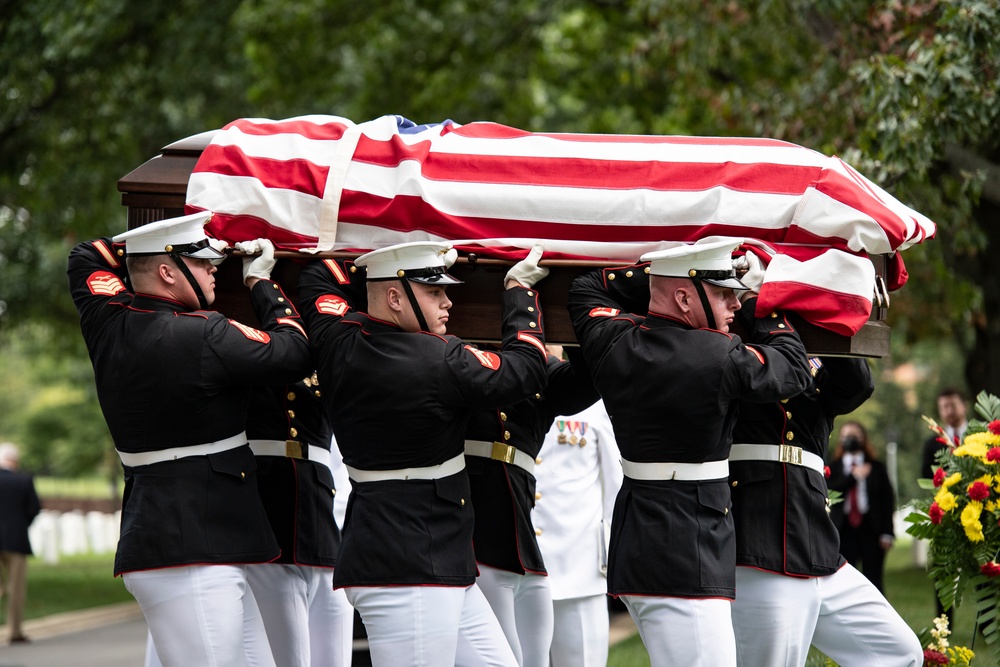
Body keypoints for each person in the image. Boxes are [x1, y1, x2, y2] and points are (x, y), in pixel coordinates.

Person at [67, 212, 312, 667]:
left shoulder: (105, 318)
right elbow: (293, 351)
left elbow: (85, 255)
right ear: (167, 272)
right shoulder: (206, 333)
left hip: (175, 538)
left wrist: (148, 244)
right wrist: (262, 283)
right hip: (195, 547)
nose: (214, 268)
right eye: (202, 262)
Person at [296, 242, 550, 667]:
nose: (449, 302)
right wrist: (519, 291)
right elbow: (526, 369)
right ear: (396, 298)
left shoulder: (336, 339)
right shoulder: (439, 360)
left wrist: (378, 262)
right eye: (435, 292)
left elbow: (315, 278)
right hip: (409, 566)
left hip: (425, 556)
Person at [567, 237, 813, 666]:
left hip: (638, 545)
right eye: (724, 293)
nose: (734, 305)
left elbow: (586, 285)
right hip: (687, 551)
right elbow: (793, 369)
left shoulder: (611, 339)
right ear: (685, 297)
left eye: (737, 296)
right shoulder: (719, 355)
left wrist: (665, 273)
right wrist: (762, 302)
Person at [728, 352, 923, 667]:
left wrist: (822, 318)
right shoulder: (735, 345)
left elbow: (858, 383)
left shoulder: (813, 363)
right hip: (761, 547)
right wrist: (767, 316)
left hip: (820, 549)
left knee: (900, 653)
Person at [464, 344, 599, 667]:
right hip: (478, 538)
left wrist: (574, 321)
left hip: (523, 544)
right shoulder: (457, 358)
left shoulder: (542, 372)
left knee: (535, 659)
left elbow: (592, 378)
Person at [245, 375, 354, 667]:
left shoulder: (325, 348)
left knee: (336, 655)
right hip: (270, 520)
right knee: (291, 658)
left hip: (320, 518)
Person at [533, 397, 622, 667]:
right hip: (522, 565)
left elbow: (615, 490)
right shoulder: (511, 390)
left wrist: (611, 562)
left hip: (580, 569)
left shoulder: (593, 405)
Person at [828, 421, 897, 594]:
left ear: (863, 439)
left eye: (855, 436)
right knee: (843, 581)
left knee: (873, 581)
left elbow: (887, 500)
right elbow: (828, 491)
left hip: (870, 530)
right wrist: (853, 477)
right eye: (846, 436)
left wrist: (887, 531)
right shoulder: (832, 467)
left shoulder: (876, 467)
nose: (850, 440)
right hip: (842, 530)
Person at [0, 442, 41, 644]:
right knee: (15, 589)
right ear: (15, 460)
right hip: (16, 539)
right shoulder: (23, 479)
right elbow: (34, 508)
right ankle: (14, 632)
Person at [921, 388, 968, 479]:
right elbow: (928, 477)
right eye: (945, 407)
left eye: (953, 406)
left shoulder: (981, 434)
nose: (950, 411)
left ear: (964, 406)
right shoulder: (931, 444)